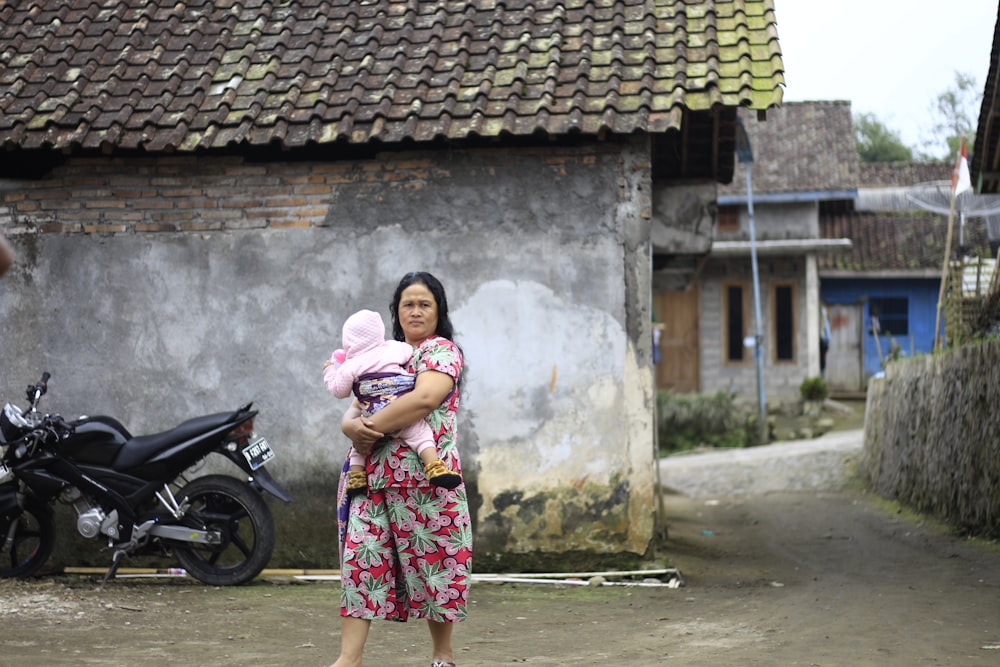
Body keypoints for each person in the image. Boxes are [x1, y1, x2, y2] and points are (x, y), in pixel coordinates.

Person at [326, 272, 471, 667]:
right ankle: (348, 660)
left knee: (436, 565)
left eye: (424, 303)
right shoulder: (382, 354)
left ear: (438, 310)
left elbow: (423, 399)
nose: (416, 310)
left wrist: (366, 428)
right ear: (396, 311)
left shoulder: (441, 352)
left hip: (427, 479)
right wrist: (348, 426)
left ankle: (443, 656)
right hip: (371, 478)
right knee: (361, 562)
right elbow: (353, 406)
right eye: (408, 303)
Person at [323, 308, 461, 497]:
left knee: (360, 445)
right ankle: (433, 466)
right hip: (399, 406)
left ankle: (356, 476)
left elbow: (339, 390)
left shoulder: (349, 366)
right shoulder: (394, 348)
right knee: (420, 434)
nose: (415, 312)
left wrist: (330, 370)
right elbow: (408, 353)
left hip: (372, 411)